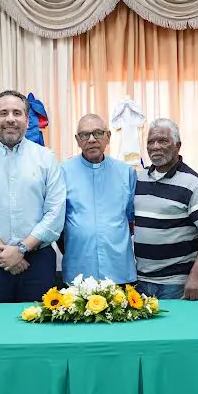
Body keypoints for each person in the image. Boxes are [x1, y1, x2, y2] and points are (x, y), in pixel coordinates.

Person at [0, 90, 66, 303]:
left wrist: (22, 249)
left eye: (17, 113)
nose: (10, 119)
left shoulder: (46, 158)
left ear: (27, 120)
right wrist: (5, 252)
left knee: (40, 331)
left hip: (38, 262)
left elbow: (55, 212)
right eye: (3, 113)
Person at [134, 118, 198, 300]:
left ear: (177, 146)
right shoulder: (139, 180)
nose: (155, 146)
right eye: (150, 142)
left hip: (175, 284)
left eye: (163, 141)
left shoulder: (193, 183)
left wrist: (196, 276)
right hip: (140, 282)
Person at [60, 114, 137, 285]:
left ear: (108, 136)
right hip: (79, 269)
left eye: (98, 133)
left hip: (119, 269)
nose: (92, 139)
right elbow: (58, 221)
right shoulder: (62, 172)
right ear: (77, 140)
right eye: (85, 135)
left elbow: (131, 220)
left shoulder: (126, 173)